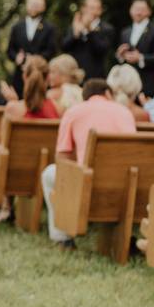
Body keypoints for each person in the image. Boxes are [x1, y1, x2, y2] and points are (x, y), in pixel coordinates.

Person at [40, 79, 137, 248]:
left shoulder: (74, 111)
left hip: (89, 183)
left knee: (49, 173)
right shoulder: (125, 112)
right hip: (125, 184)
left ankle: (61, 238)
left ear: (85, 97)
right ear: (107, 93)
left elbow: (62, 158)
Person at [6, 0, 58, 98]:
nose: (34, 7)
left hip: (40, 73)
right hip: (20, 73)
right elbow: (10, 50)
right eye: (32, 4)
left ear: (43, 7)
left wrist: (36, 59)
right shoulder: (17, 27)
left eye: (37, 4)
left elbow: (52, 50)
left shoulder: (49, 28)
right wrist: (16, 57)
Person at [116, 0, 154, 96]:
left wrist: (140, 58)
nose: (138, 13)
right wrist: (121, 55)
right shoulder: (125, 32)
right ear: (130, 10)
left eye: (142, 9)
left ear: (149, 11)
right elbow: (122, 57)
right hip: (127, 84)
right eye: (136, 9)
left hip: (148, 82)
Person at [61, 0, 114, 80]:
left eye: (96, 8)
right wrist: (75, 34)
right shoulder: (74, 25)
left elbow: (102, 50)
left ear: (100, 10)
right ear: (83, 8)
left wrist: (89, 30)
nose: (93, 11)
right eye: (91, 7)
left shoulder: (106, 28)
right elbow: (64, 47)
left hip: (96, 75)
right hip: (75, 74)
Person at [1, 55, 59, 120]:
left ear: (24, 76)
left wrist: (14, 102)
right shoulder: (59, 109)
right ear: (48, 78)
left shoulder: (12, 109)